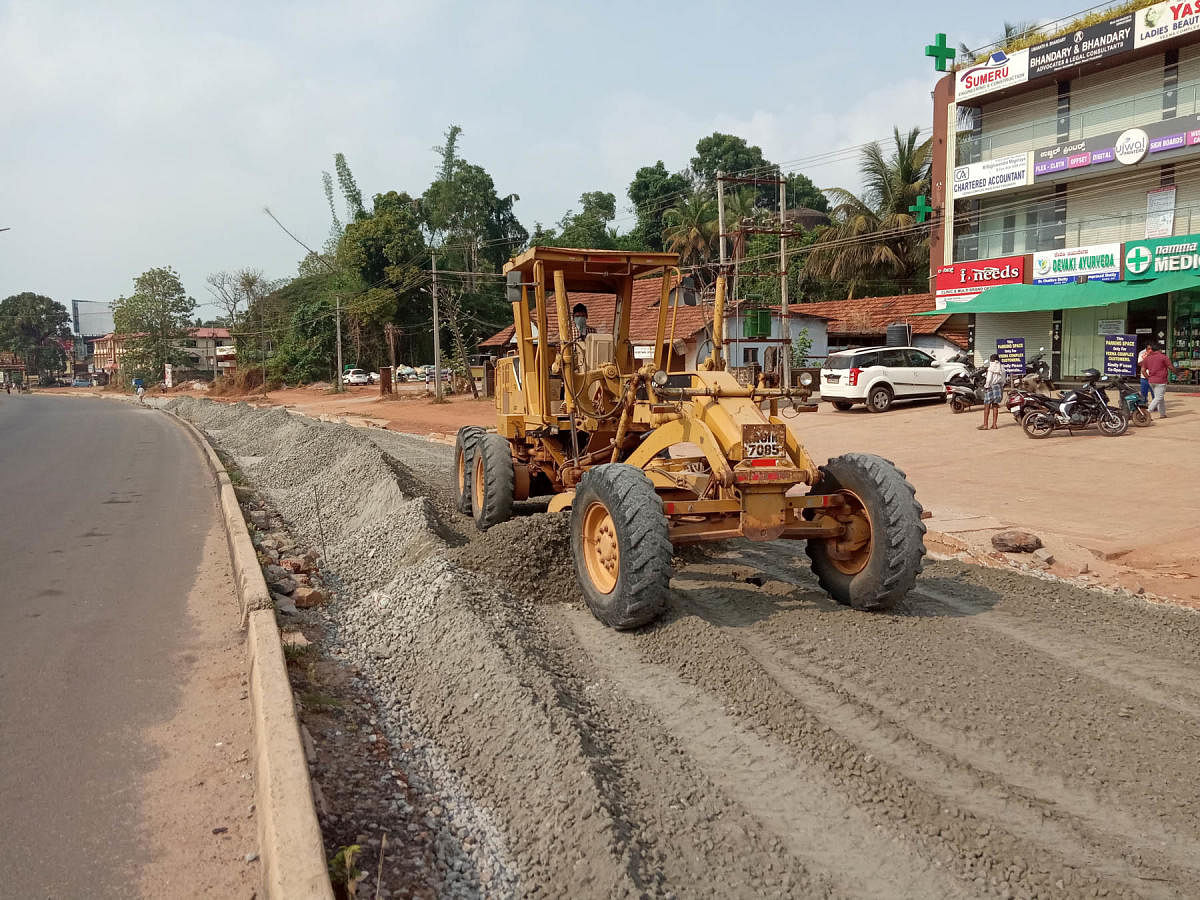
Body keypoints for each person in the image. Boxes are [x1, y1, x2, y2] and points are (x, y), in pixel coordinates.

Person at [1141, 342, 1181, 419]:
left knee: (1159, 397)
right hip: (1161, 381)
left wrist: (1148, 378)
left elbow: (1143, 371)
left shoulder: (1147, 358)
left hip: (1151, 381)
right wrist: (1178, 374)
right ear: (1160, 349)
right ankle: (1147, 412)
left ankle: (1162, 414)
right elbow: (1171, 367)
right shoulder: (1163, 357)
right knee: (1159, 397)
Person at [979, 353, 1004, 430]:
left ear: (991, 360)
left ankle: (985, 425)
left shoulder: (991, 368)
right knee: (995, 405)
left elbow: (988, 379)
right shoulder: (1002, 368)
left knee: (987, 405)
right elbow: (1003, 380)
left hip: (990, 386)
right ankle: (994, 424)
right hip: (998, 387)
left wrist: (986, 386)